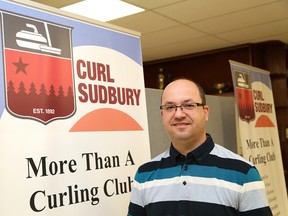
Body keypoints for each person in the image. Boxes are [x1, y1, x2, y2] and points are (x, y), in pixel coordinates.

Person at [127, 78, 272, 216]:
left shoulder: (243, 172)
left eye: (189, 105)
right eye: (170, 107)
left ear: (205, 112)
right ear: (162, 115)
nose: (178, 114)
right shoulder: (144, 175)